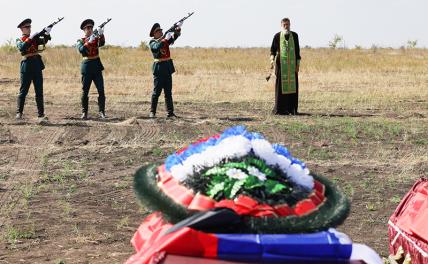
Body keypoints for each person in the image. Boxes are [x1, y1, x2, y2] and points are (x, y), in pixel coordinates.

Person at [15, 18, 52, 121]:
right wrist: (30, 38)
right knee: (23, 91)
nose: (29, 28)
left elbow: (42, 44)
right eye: (27, 27)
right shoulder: (19, 40)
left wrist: (47, 34)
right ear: (22, 29)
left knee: (39, 91)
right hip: (26, 64)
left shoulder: (34, 38)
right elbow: (22, 48)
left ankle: (41, 114)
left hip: (36, 64)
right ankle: (19, 113)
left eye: (30, 27)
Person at [148, 22, 182, 118]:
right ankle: (152, 112)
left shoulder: (164, 40)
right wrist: (165, 39)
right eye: (158, 31)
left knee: (168, 92)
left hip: (167, 68)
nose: (161, 32)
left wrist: (178, 28)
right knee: (156, 92)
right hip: (159, 69)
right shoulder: (153, 42)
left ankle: (170, 113)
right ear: (154, 33)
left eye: (161, 31)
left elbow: (174, 37)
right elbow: (156, 48)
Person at [76, 19, 107, 120]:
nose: (89, 30)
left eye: (91, 28)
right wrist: (89, 41)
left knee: (101, 90)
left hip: (97, 66)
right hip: (87, 67)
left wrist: (101, 34)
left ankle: (102, 112)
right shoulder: (80, 41)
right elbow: (81, 49)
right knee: (85, 91)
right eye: (87, 28)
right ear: (84, 30)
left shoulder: (95, 38)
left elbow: (102, 43)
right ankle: (84, 112)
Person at [270, 18, 301, 115]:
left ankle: (292, 109)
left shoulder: (295, 36)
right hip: (281, 65)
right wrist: (271, 61)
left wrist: (297, 64)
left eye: (287, 24)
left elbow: (297, 51)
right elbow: (273, 50)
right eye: (284, 25)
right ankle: (280, 109)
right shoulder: (277, 36)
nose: (286, 26)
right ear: (281, 25)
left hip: (292, 66)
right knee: (280, 87)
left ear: (290, 24)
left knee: (293, 87)